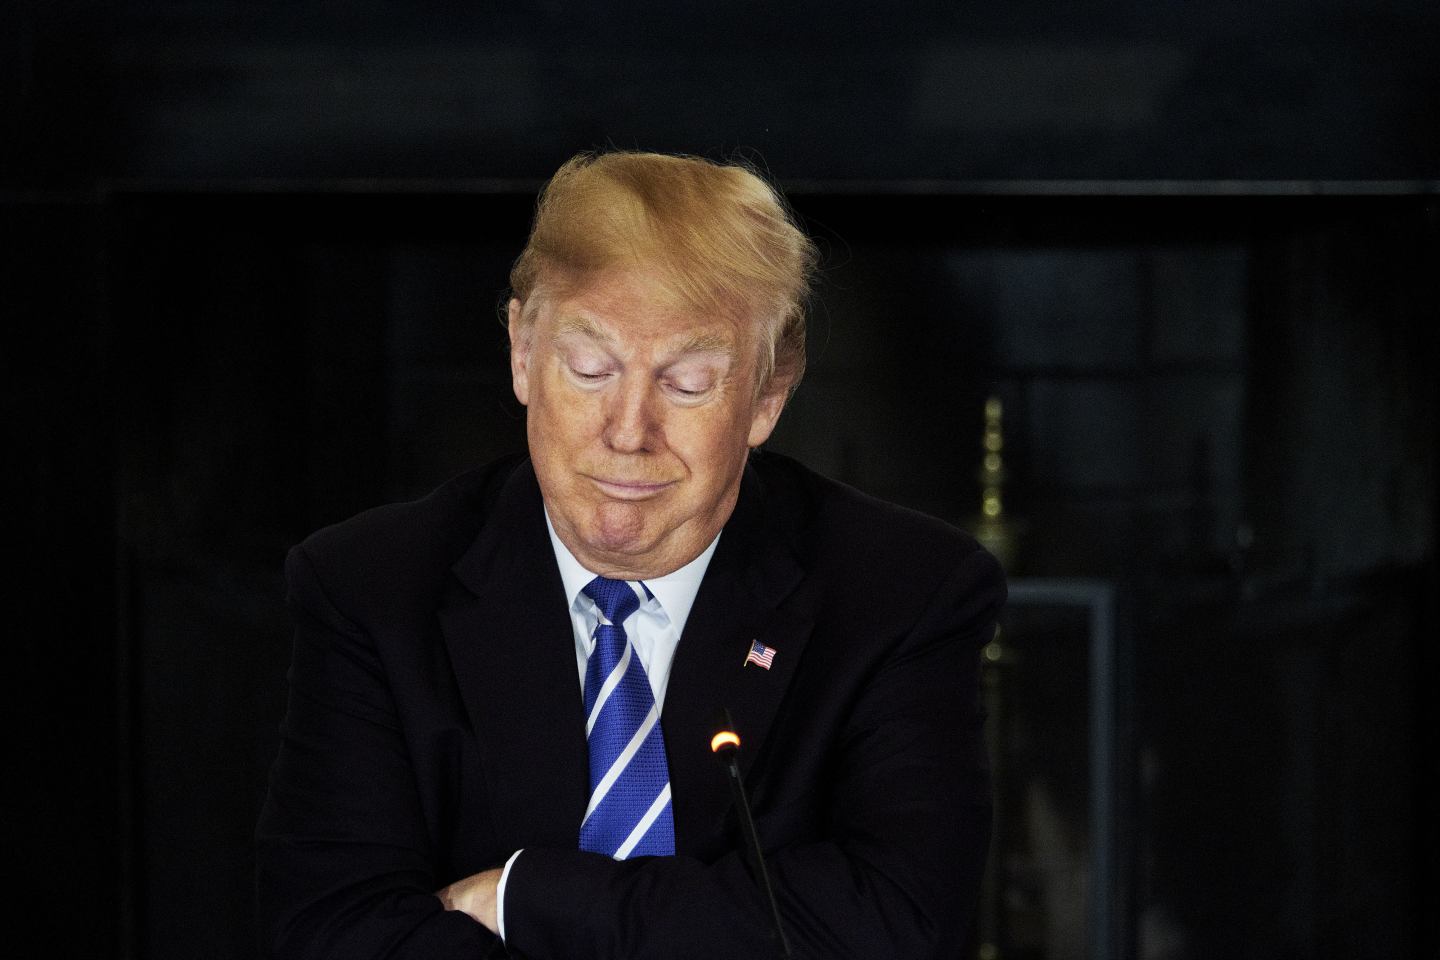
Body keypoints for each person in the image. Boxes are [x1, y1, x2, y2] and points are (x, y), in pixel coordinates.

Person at [255, 150, 1005, 960]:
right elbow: (330, 928)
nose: (627, 430)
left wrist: (524, 897)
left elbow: (898, 922)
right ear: (522, 353)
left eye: (686, 383)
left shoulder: (903, 593)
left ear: (766, 396)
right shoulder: (370, 587)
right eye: (590, 369)